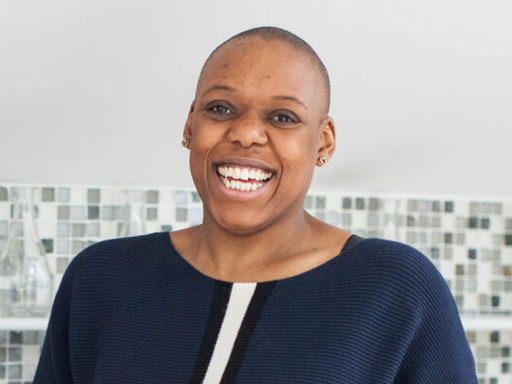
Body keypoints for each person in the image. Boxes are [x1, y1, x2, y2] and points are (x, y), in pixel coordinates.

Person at [34, 26, 478, 383]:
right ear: (190, 125)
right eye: (221, 109)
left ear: (322, 142)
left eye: (282, 117)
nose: (246, 133)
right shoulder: (100, 279)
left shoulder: (395, 287)